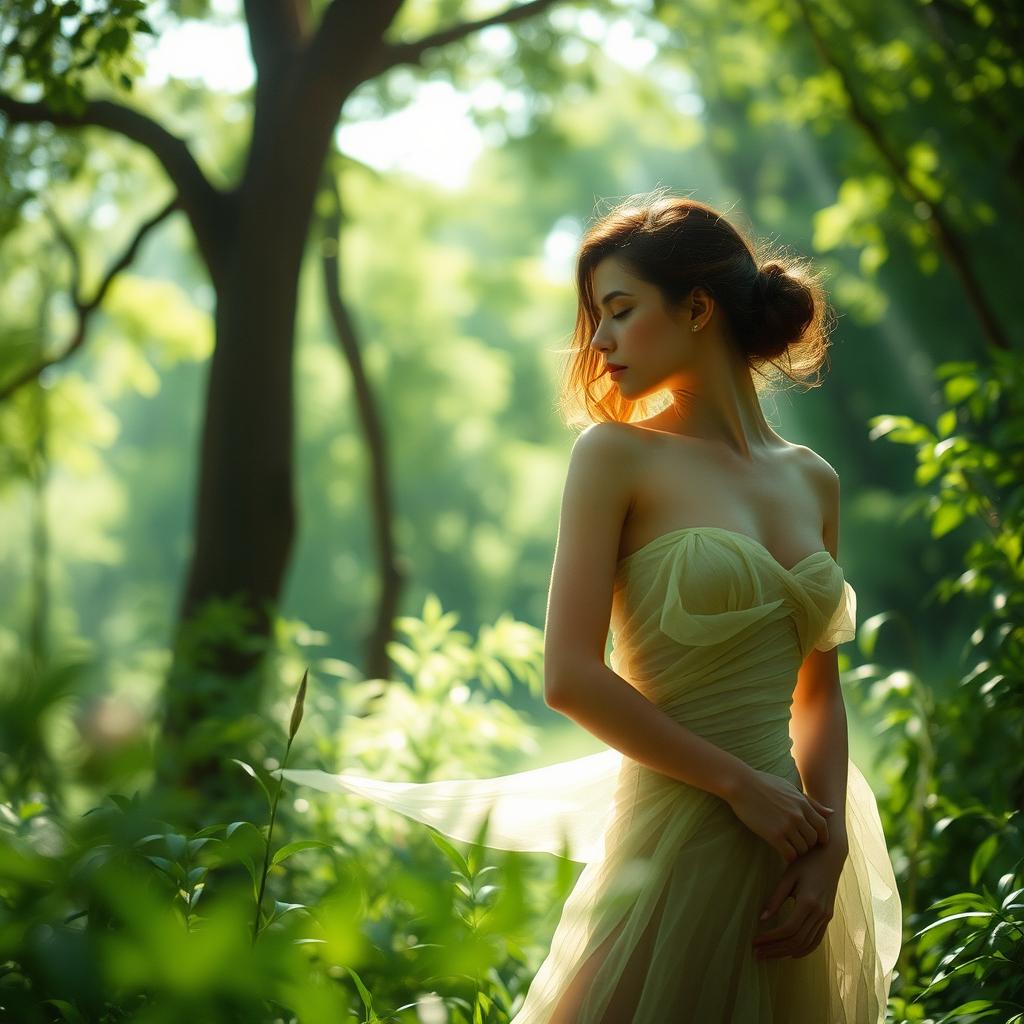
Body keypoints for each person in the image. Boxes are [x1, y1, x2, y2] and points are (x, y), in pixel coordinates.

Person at [278, 190, 902, 1022]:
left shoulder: (811, 477)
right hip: (680, 834)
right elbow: (569, 677)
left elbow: (817, 693)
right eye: (594, 317)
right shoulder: (614, 457)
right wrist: (738, 785)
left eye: (618, 311)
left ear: (698, 308)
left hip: (794, 851)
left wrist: (829, 851)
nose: (598, 342)